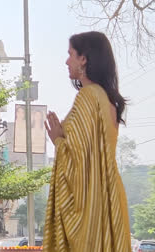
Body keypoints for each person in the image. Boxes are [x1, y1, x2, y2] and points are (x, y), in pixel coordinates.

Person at [43, 31, 131, 251]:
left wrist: (58, 141)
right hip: (108, 199)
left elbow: (81, 163)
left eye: (70, 54)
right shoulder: (106, 98)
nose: (66, 61)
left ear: (84, 59)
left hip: (91, 205)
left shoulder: (88, 97)